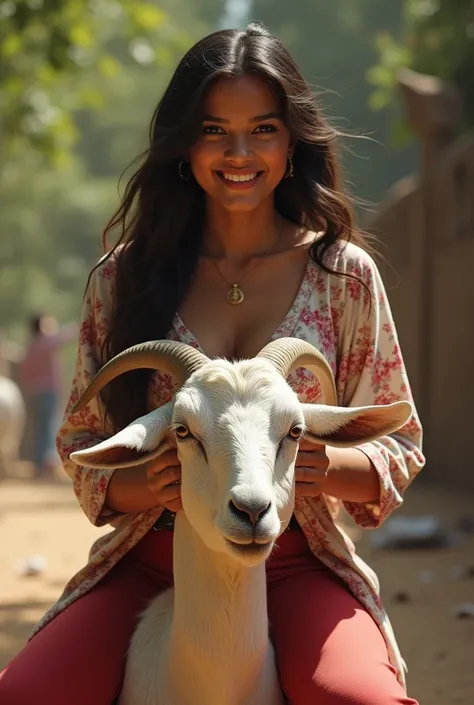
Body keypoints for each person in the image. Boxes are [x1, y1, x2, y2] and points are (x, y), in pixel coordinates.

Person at [0, 24, 425, 705]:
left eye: (262, 129)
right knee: (28, 693)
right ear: (183, 146)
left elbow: (399, 439)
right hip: (150, 561)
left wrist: (326, 464)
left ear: (292, 142)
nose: (239, 153)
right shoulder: (121, 280)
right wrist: (151, 481)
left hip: (295, 562)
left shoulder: (344, 277)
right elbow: (80, 445)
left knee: (359, 700)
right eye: (213, 131)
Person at [18, 314, 77, 478]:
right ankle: (47, 463)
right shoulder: (46, 342)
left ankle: (37, 464)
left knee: (38, 428)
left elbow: (25, 371)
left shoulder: (31, 345)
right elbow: (66, 335)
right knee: (49, 426)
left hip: (34, 392)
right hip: (48, 391)